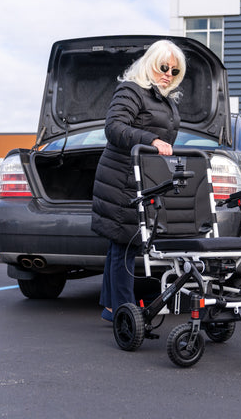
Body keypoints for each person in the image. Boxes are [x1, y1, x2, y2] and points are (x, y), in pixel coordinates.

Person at [91, 39, 187, 322]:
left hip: (141, 177)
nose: (168, 74)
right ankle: (125, 311)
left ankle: (112, 308)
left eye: (174, 71)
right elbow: (114, 127)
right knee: (125, 242)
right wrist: (151, 140)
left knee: (120, 244)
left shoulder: (164, 99)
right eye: (163, 67)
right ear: (150, 64)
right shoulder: (132, 90)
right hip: (122, 177)